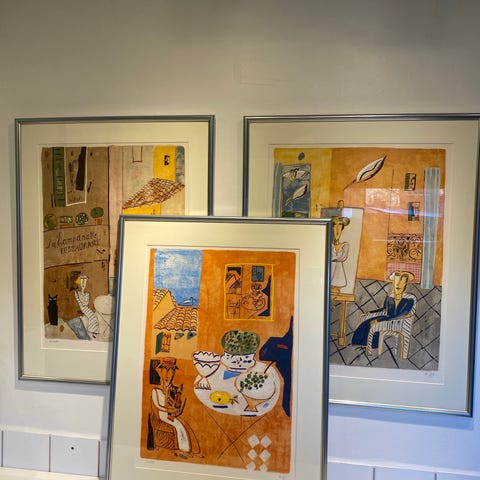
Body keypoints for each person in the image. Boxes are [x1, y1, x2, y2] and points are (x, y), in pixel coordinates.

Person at [351, 270, 416, 348]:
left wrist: (378, 320)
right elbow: (383, 309)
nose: (397, 290)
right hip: (386, 317)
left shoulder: (409, 300)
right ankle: (362, 343)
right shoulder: (390, 297)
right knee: (366, 323)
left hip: (397, 321)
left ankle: (371, 345)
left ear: (404, 286)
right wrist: (370, 312)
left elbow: (401, 315)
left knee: (373, 323)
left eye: (400, 288)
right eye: (396, 287)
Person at [331, 216, 350, 292]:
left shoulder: (345, 245)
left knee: (337, 289)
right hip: (329, 270)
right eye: (335, 224)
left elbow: (343, 257)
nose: (337, 228)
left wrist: (333, 259)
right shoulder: (329, 245)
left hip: (339, 272)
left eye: (340, 225)